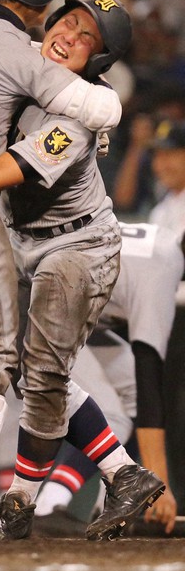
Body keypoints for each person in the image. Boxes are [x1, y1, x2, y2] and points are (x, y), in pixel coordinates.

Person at [0, 0, 165, 540]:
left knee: (43, 373)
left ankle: (39, 492)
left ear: (97, 62)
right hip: (25, 243)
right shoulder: (23, 61)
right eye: (68, 22)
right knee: (27, 372)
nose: (70, 36)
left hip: (77, 248)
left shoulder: (76, 114)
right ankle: (114, 475)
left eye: (86, 38)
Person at [33, 221, 184, 537]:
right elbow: (150, 373)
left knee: (127, 391)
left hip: (66, 305)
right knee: (112, 414)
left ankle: (112, 508)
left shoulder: (164, 241)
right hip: (38, 304)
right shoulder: (164, 267)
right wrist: (160, 485)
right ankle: (49, 502)